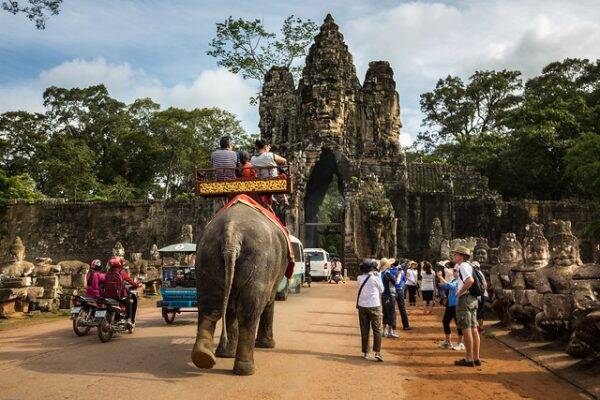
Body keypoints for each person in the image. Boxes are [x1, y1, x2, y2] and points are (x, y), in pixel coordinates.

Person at [453, 246, 481, 367]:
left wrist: (460, 293)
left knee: (466, 329)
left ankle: (469, 358)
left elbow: (469, 281)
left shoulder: (463, 266)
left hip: (466, 299)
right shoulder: (471, 265)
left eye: (456, 254)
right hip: (473, 299)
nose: (454, 256)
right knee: (474, 328)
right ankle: (476, 357)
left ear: (461, 255)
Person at [357, 258, 384, 362]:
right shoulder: (375, 278)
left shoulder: (359, 278)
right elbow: (382, 289)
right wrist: (378, 277)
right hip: (374, 305)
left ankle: (366, 352)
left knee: (364, 329)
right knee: (377, 329)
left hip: (362, 306)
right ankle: (377, 352)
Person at [104, 256, 140, 327]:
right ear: (119, 263)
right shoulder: (121, 272)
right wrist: (136, 285)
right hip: (119, 296)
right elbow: (130, 281)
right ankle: (129, 320)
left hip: (108, 296)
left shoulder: (108, 273)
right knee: (129, 302)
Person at [437, 266, 464, 350]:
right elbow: (446, 286)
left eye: (456, 271)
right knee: (445, 322)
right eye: (454, 271)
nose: (454, 272)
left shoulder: (460, 282)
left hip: (457, 305)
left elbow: (450, 286)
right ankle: (448, 342)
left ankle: (460, 343)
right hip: (450, 305)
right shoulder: (454, 280)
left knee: (458, 324)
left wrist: (441, 277)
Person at [390, 260, 411, 330]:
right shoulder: (401, 271)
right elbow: (404, 280)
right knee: (402, 308)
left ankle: (393, 327)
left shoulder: (389, 271)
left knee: (392, 309)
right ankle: (406, 325)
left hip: (392, 290)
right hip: (400, 290)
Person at [380, 258, 399, 338]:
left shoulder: (382, 273)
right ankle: (390, 331)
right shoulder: (388, 273)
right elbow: (396, 282)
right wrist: (399, 275)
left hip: (384, 295)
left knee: (385, 313)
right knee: (391, 313)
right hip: (390, 295)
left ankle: (384, 331)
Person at [471, 261, 488, 333]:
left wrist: (479, 295)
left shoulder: (477, 273)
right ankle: (478, 327)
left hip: (481, 294)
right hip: (481, 294)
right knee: (477, 311)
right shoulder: (479, 273)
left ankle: (480, 328)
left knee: (479, 312)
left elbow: (484, 284)